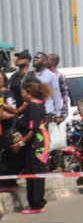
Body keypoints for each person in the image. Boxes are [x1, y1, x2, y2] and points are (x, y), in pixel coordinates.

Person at [9, 82, 51, 213]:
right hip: (40, 142)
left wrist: (21, 143)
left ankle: (36, 205)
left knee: (34, 173)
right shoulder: (39, 104)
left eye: (24, 92)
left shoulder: (33, 106)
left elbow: (33, 129)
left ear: (30, 94)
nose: (22, 95)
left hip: (35, 144)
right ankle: (37, 203)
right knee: (37, 173)